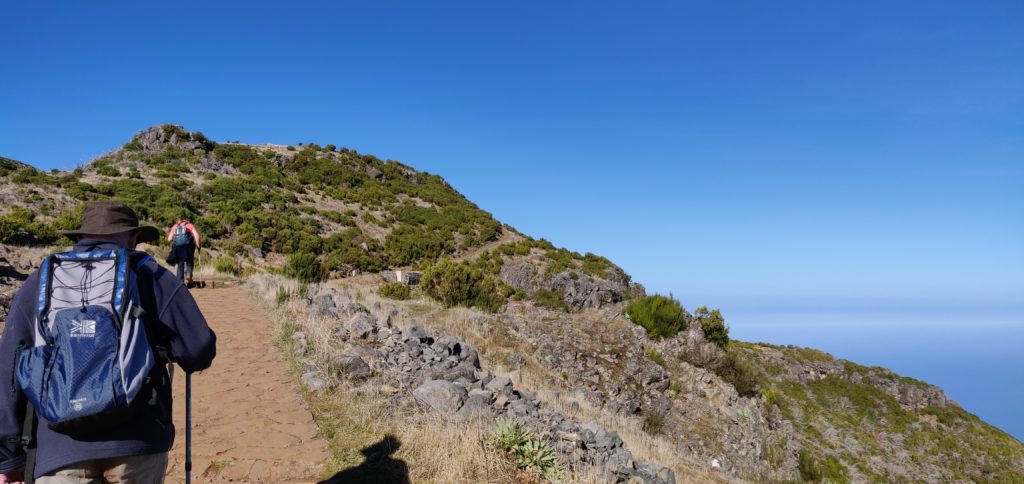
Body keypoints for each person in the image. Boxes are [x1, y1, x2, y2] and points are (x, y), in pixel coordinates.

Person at [0, 201, 217, 483]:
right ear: (133, 237)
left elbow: (9, 369)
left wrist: (7, 456)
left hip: (60, 447)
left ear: (79, 238)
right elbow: (199, 350)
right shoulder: (152, 276)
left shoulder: (42, 280)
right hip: (138, 440)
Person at [166, 217, 201, 286]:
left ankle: (180, 283)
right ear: (186, 220)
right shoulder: (189, 225)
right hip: (187, 247)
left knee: (180, 264)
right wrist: (198, 245)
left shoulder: (175, 226)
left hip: (177, 248)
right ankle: (189, 274)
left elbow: (169, 239)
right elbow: (196, 235)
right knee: (190, 261)